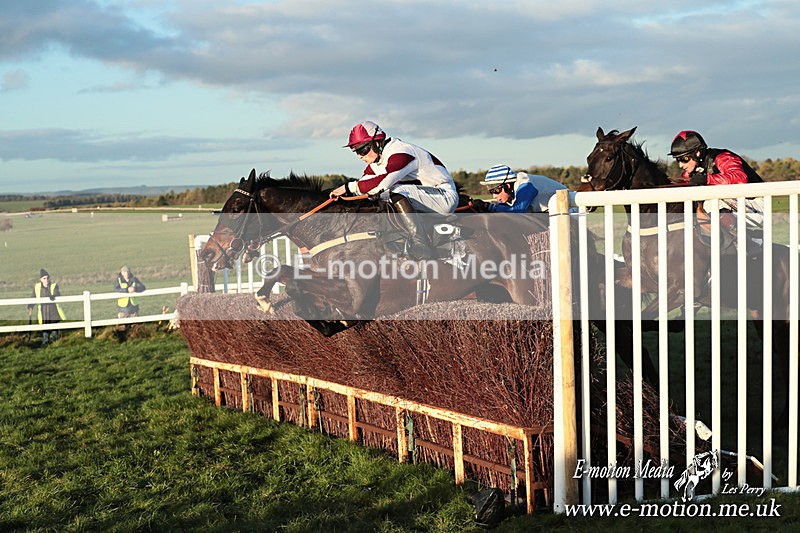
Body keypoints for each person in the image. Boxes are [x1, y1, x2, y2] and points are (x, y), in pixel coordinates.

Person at [330, 121, 459, 259]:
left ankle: (420, 245)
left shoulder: (401, 152)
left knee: (393, 191)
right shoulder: (377, 161)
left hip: (444, 196)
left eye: (363, 150)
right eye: (356, 152)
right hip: (422, 196)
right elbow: (364, 185)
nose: (360, 156)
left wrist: (348, 187)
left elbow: (379, 185)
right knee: (380, 195)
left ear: (377, 143)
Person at [668, 130, 764, 252]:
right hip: (737, 207)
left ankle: (748, 242)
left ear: (697, 153)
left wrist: (707, 179)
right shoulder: (690, 171)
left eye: (684, 159)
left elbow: (740, 178)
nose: (681, 165)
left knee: (711, 203)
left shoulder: (723, 157)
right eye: (678, 160)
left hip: (758, 206)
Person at [476, 164, 570, 213]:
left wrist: (488, 207)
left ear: (507, 186)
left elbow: (517, 210)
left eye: (496, 190)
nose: (494, 196)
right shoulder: (512, 188)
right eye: (491, 191)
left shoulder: (525, 185)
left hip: (570, 210)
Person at [27, 268, 65, 346]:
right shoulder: (37, 287)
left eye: (47, 278)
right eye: (44, 278)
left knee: (54, 328)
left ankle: (55, 342)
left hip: (53, 311)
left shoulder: (54, 286)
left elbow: (57, 293)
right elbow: (33, 297)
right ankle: (45, 342)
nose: (46, 280)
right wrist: (30, 306)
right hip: (43, 312)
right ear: (41, 279)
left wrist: (53, 296)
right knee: (45, 328)